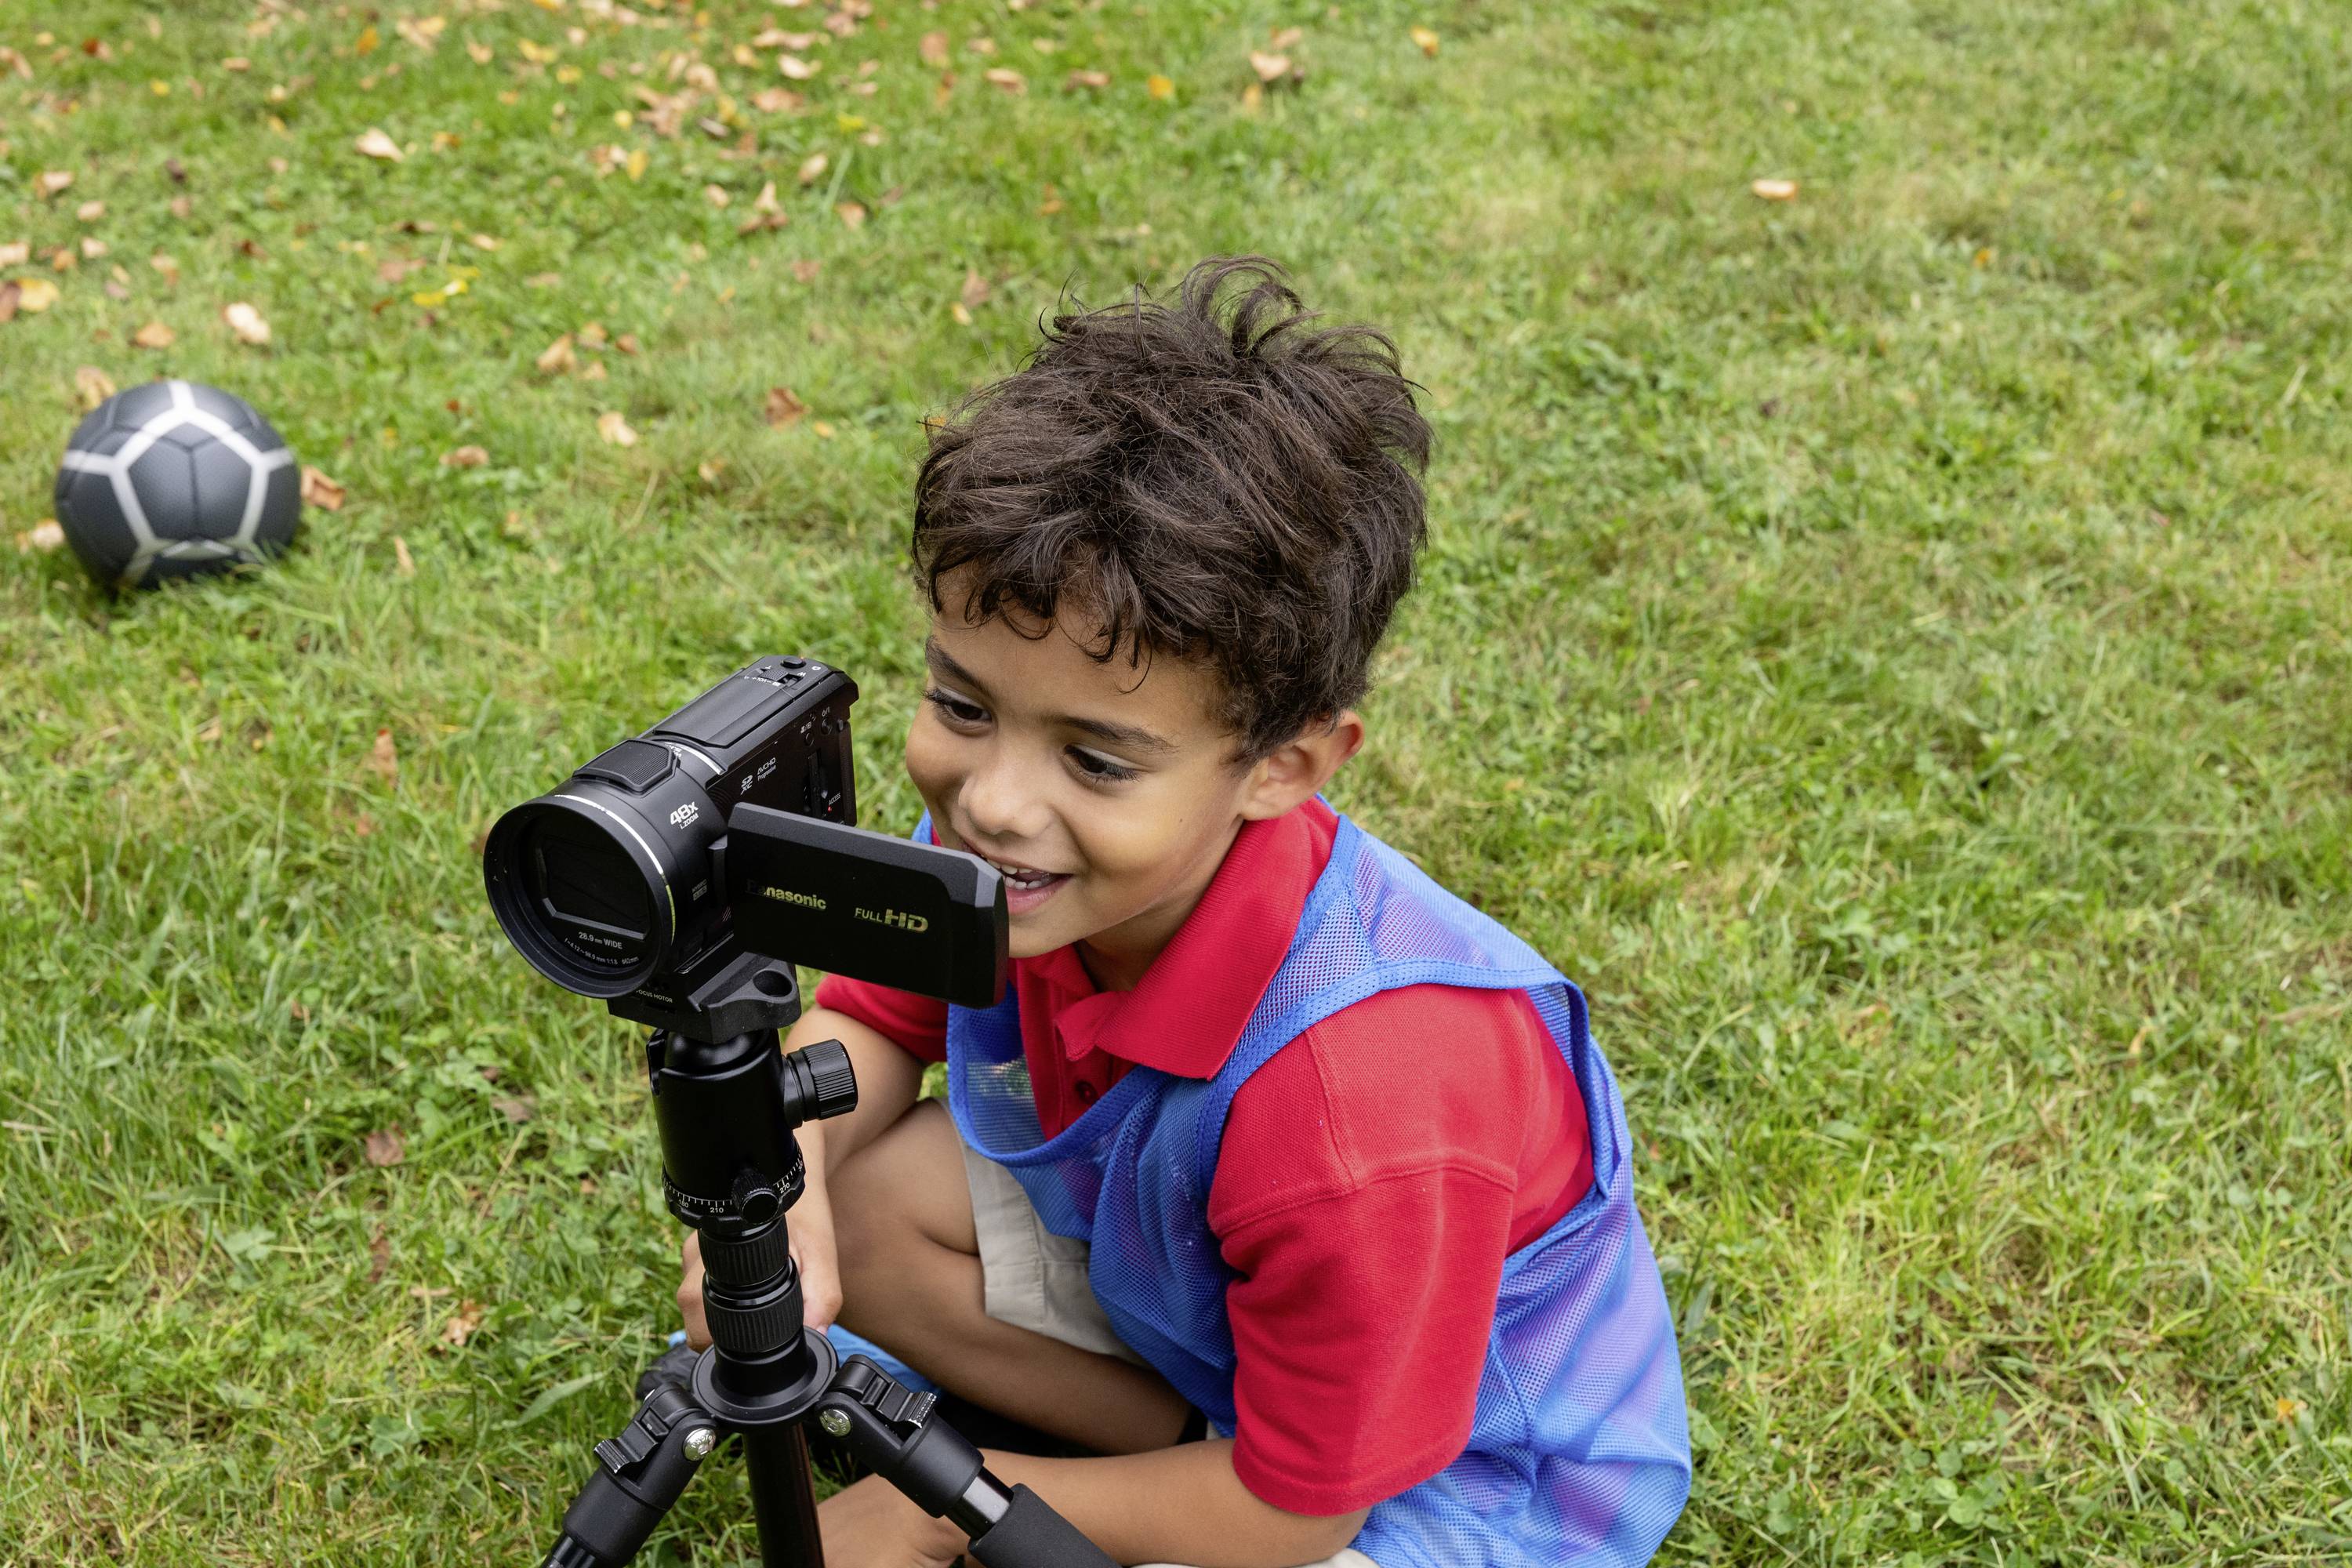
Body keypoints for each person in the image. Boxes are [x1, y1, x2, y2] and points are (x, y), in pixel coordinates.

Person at [679, 256, 1690, 1568]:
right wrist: (788, 1192)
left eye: (1096, 760)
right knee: (860, 1198)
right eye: (964, 704)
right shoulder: (1036, 854)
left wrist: (946, 1507)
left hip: (1438, 1491)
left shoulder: (1362, 1104)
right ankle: (1164, 1443)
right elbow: (871, 1018)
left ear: (1285, 767)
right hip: (1205, 1318)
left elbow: (1297, 1512)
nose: (990, 803)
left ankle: (1157, 1471)